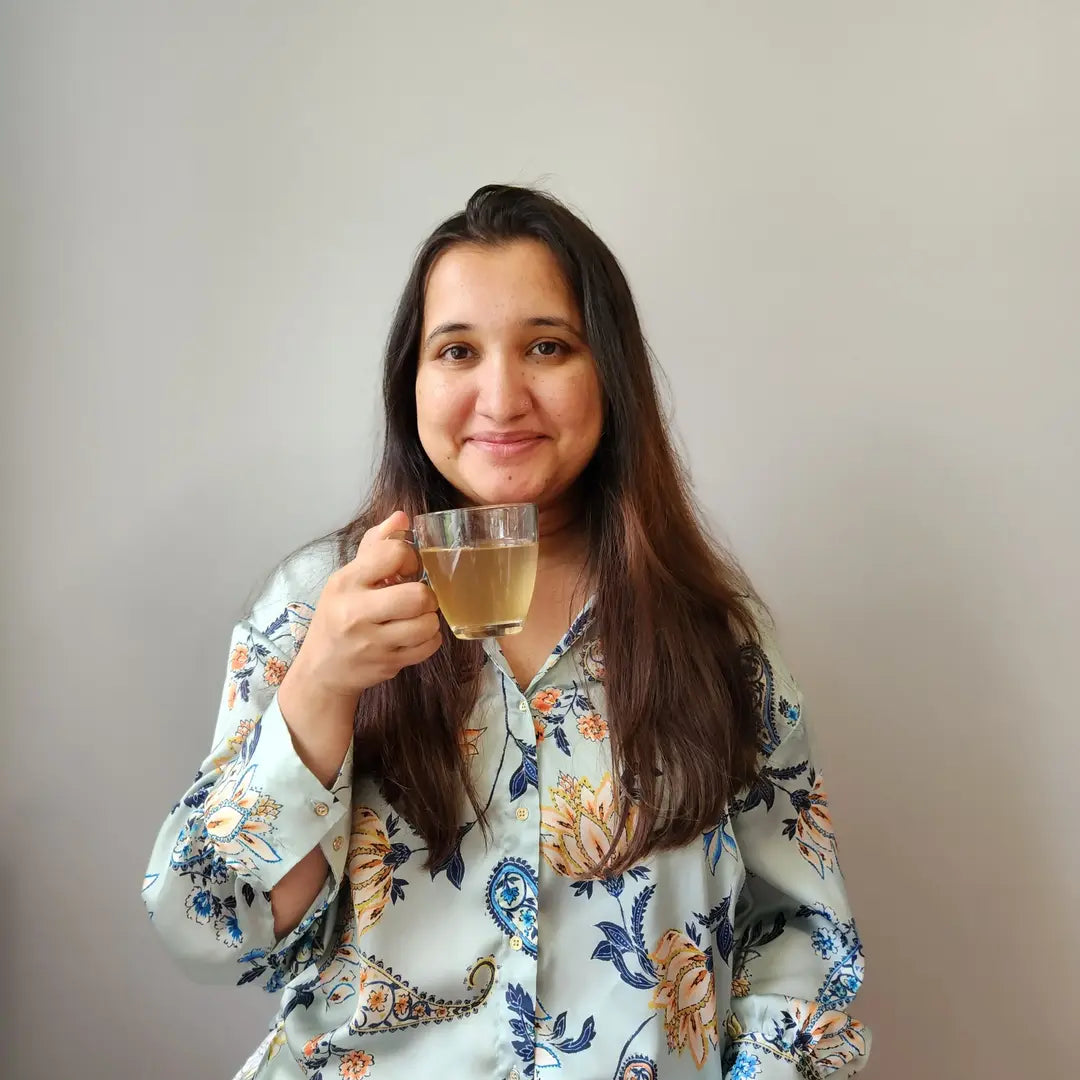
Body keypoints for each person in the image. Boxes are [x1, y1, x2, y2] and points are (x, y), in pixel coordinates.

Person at [144, 184, 870, 1080]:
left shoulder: (711, 636)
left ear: (609, 372)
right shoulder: (317, 607)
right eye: (457, 350)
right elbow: (212, 930)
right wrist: (320, 689)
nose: (501, 395)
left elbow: (800, 936)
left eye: (547, 346)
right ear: (412, 381)